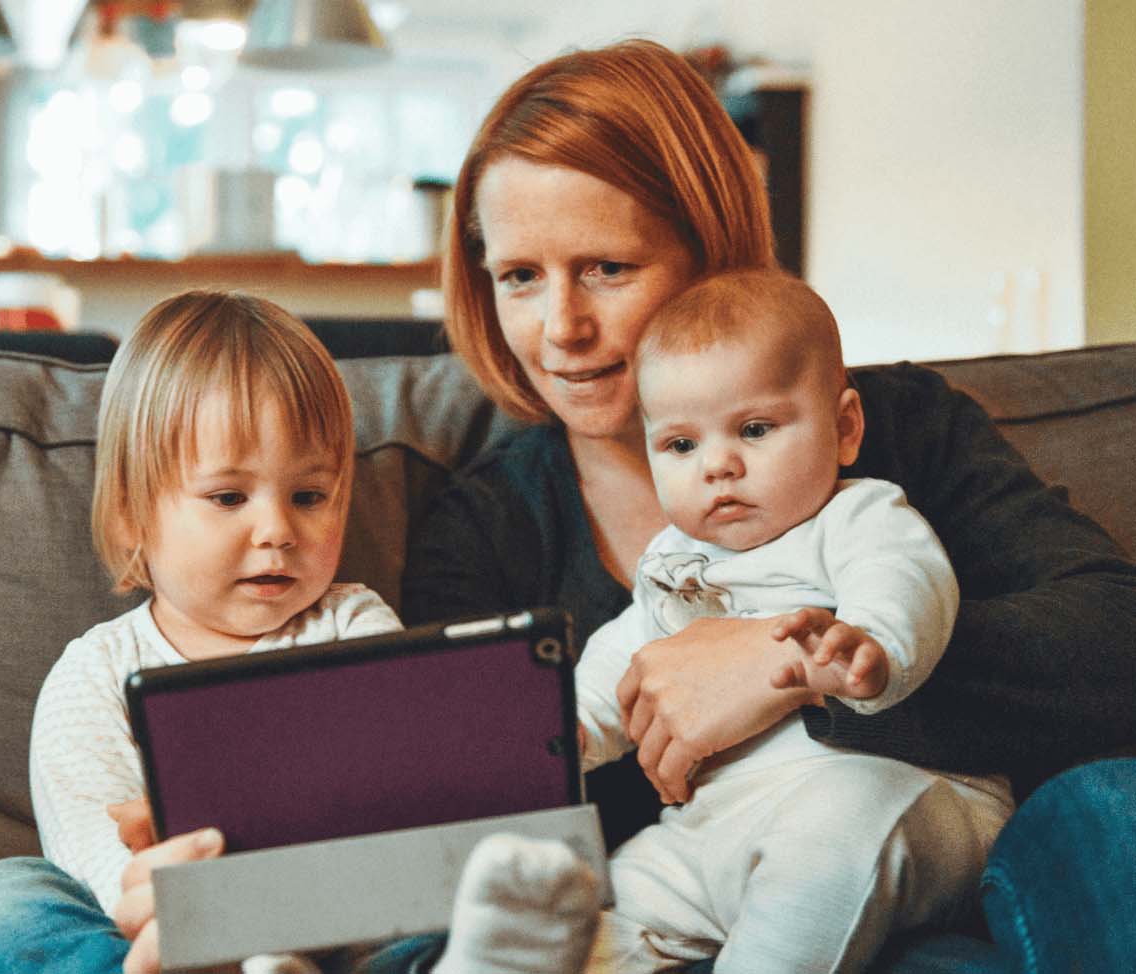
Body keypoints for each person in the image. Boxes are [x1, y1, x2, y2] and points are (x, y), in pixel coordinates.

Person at [395, 34, 1136, 974]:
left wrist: (784, 660)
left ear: (711, 253)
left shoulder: (897, 431)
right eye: (520, 277)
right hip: (668, 919)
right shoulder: (484, 527)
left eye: (607, 268)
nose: (562, 329)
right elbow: (464, 827)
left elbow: (1116, 637)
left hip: (938, 887)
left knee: (1108, 810)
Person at [0, 290, 411, 974]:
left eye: (309, 496)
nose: (277, 530)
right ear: (131, 515)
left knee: (459, 912)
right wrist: (191, 923)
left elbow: (402, 808)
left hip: (341, 935)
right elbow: (102, 867)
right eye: (227, 498)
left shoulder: (354, 627)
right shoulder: (95, 674)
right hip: (156, 942)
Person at [573, 268, 1013, 972]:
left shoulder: (856, 514)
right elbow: (623, 659)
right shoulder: (672, 561)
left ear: (844, 428)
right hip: (717, 824)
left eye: (753, 429)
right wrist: (565, 733)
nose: (718, 465)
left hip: (893, 793)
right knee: (606, 904)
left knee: (828, 842)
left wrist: (872, 641)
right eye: (680, 445)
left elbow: (906, 577)